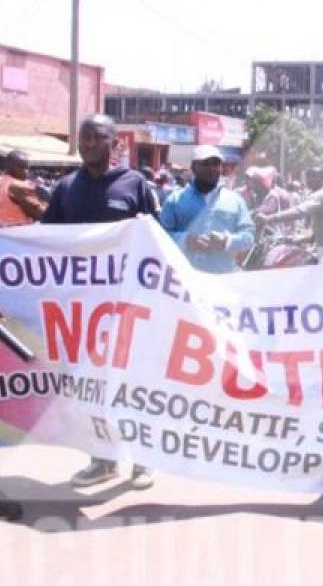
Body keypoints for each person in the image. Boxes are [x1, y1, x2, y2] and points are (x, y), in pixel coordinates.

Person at [42, 114, 158, 489]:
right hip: (83, 309)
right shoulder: (64, 189)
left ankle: (144, 460)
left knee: (134, 382)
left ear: (114, 144)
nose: (89, 144)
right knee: (92, 384)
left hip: (127, 305)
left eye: (97, 138)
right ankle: (102, 459)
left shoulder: (135, 184)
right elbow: (45, 243)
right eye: (84, 138)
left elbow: (155, 240)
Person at [159, 145, 254, 274]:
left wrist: (227, 241)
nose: (212, 169)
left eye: (216, 164)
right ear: (193, 167)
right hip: (183, 280)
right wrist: (186, 241)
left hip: (222, 280)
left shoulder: (235, 201)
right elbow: (159, 237)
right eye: (205, 164)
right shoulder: (175, 200)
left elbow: (249, 237)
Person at [258, 166, 323, 262]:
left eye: (314, 177)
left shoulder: (321, 195)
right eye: (308, 177)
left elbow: (300, 211)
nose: (310, 180)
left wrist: (268, 218)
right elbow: (322, 232)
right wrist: (294, 240)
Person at [0, 150, 47, 226]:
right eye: (21, 168)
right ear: (10, 167)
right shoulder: (18, 186)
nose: (26, 172)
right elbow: (40, 214)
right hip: (18, 233)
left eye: (27, 168)